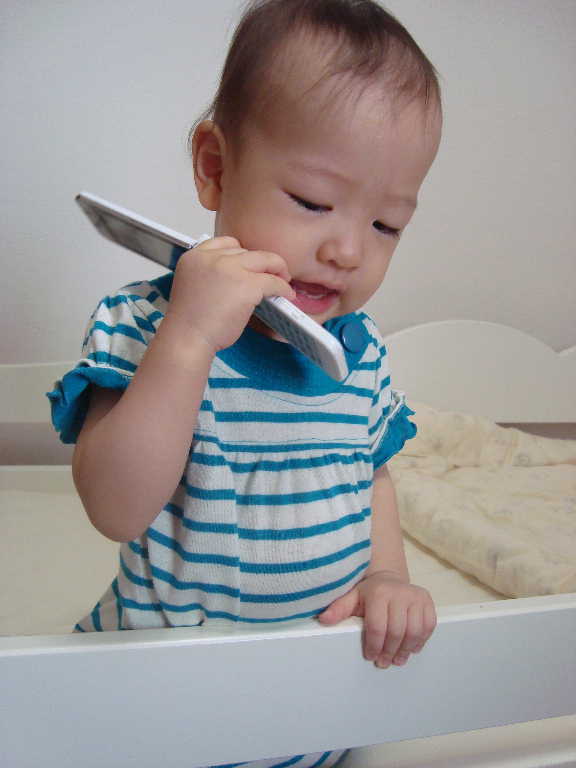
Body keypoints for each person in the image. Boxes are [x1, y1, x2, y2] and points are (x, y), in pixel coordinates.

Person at [49, 1, 442, 765]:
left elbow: (372, 475)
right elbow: (115, 508)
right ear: (215, 167)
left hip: (308, 715)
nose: (347, 249)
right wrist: (190, 336)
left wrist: (388, 575)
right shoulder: (144, 325)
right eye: (313, 202)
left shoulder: (362, 355)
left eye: (386, 224)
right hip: (155, 717)